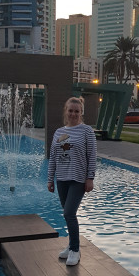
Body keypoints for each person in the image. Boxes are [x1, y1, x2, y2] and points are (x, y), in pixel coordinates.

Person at [47, 96, 97, 266]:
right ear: (66, 111)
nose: (73, 114)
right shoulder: (59, 132)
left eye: (77, 111)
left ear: (81, 112)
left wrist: (90, 178)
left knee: (68, 213)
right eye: (71, 110)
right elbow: (53, 157)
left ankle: (75, 250)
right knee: (69, 215)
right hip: (62, 179)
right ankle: (71, 245)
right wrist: (50, 179)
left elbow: (92, 156)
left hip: (78, 179)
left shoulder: (87, 131)